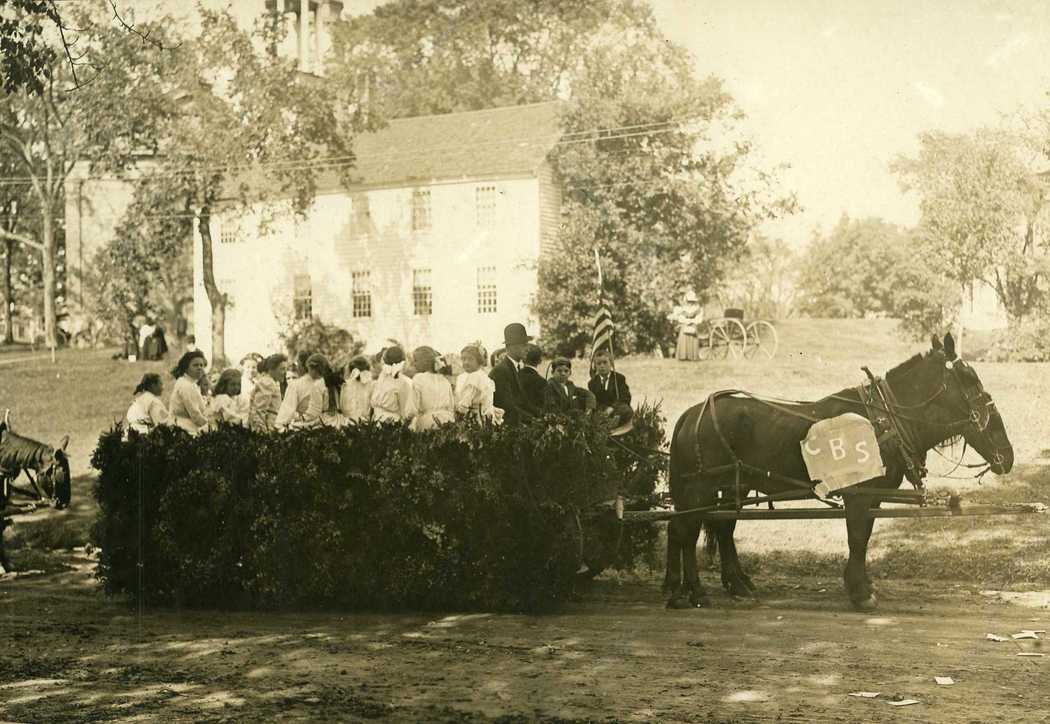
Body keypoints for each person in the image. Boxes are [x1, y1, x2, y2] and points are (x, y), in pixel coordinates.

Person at [489, 323, 537, 426]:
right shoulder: (500, 371)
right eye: (524, 345)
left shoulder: (513, 367)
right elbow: (508, 406)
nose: (528, 349)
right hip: (506, 427)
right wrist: (534, 420)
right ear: (511, 346)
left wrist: (542, 415)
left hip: (516, 422)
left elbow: (524, 402)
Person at [275, 353, 329, 430]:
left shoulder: (295, 385)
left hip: (305, 427)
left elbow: (286, 413)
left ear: (302, 366)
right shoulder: (326, 382)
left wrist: (278, 427)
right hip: (325, 424)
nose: (297, 367)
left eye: (298, 364)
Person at [410, 346, 456, 431]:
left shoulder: (418, 378)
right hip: (447, 421)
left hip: (427, 423)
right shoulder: (445, 380)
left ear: (425, 362)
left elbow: (412, 408)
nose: (413, 363)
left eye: (416, 360)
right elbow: (451, 406)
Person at [455, 344, 502, 424]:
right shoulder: (483, 376)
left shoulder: (474, 377)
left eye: (470, 359)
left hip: (475, 419)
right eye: (463, 359)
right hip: (486, 418)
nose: (466, 362)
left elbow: (464, 404)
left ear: (479, 360)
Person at [371, 345, 416, 424]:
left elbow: (405, 412)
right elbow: (406, 411)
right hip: (384, 422)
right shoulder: (403, 382)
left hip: (384, 422)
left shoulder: (384, 377)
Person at [588, 349, 632, 425]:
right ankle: (607, 424)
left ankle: (615, 422)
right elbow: (594, 400)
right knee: (593, 416)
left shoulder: (619, 378)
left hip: (617, 407)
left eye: (605, 362)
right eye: (599, 363)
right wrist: (602, 411)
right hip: (602, 410)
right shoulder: (592, 383)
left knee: (626, 410)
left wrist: (612, 408)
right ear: (595, 366)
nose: (602, 366)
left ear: (611, 364)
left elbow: (625, 397)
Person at [169, 350, 209, 435]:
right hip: (185, 429)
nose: (199, 368)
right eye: (195, 365)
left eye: (201, 365)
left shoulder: (190, 383)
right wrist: (210, 427)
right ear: (186, 368)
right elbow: (195, 415)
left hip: (186, 427)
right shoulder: (186, 385)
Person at [249, 353, 287, 432]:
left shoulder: (272, 382)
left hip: (274, 427)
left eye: (285, 369)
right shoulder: (267, 383)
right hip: (268, 430)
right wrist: (262, 434)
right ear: (271, 369)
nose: (285, 372)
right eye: (282, 369)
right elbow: (259, 411)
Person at [339, 356, 374, 423]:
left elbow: (342, 407)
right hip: (365, 423)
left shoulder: (346, 386)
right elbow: (373, 406)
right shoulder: (371, 386)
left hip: (348, 423)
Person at [674, 290, 704, 361]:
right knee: (683, 339)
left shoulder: (697, 308)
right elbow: (680, 317)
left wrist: (692, 321)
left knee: (693, 339)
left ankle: (692, 356)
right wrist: (686, 321)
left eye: (692, 301)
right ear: (687, 300)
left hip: (693, 325)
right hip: (685, 325)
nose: (690, 303)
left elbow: (699, 318)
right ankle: (683, 356)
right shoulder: (683, 308)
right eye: (689, 301)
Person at [519, 343, 547, 414]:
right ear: (540, 361)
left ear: (523, 359)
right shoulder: (542, 382)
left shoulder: (515, 375)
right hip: (535, 420)